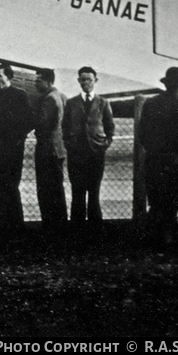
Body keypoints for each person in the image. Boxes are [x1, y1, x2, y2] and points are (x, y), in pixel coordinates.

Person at [138, 67, 178, 249]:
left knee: (156, 200)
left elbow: (143, 134)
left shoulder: (151, 103)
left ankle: (151, 237)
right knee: (172, 203)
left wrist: (154, 152)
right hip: (177, 162)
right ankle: (166, 237)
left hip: (155, 160)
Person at [62, 66, 115, 231]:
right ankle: (77, 233)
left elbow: (110, 127)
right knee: (77, 195)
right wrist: (70, 146)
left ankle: (95, 233)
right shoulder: (71, 103)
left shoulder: (103, 103)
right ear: (78, 81)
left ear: (95, 81)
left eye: (89, 79)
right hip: (76, 156)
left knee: (94, 195)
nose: (86, 83)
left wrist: (103, 145)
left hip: (96, 156)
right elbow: (65, 127)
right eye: (83, 79)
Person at [0, 64, 34, 233]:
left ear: (9, 76)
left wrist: (17, 139)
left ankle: (16, 228)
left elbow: (29, 120)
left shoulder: (19, 95)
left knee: (10, 189)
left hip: (12, 152)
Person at [33, 68, 68, 231]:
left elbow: (42, 125)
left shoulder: (47, 99)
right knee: (57, 189)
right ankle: (60, 225)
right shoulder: (60, 96)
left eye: (38, 80)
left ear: (47, 81)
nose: (35, 83)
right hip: (58, 150)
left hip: (47, 150)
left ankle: (50, 226)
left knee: (46, 191)